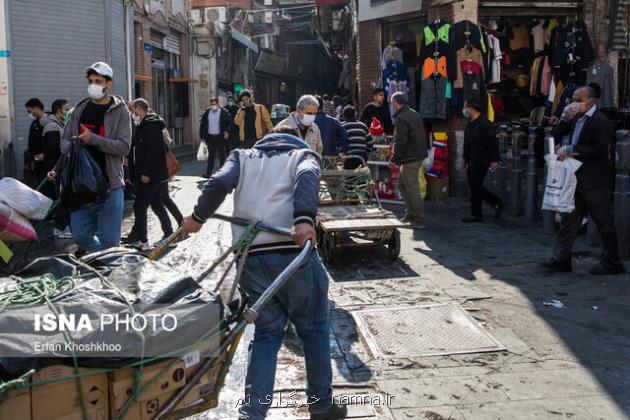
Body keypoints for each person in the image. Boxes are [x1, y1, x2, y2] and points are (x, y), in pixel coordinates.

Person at [181, 132, 346, 420]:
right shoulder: (302, 156)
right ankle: (321, 407)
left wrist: (196, 218)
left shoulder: (242, 157)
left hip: (252, 259)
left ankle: (253, 412)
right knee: (314, 329)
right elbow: (307, 177)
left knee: (267, 333)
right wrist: (304, 219)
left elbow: (218, 182)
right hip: (292, 257)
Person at [542, 85, 625, 275]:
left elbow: (599, 149)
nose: (574, 104)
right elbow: (555, 134)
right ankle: (562, 259)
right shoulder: (575, 118)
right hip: (575, 177)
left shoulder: (600, 121)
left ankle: (612, 262)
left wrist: (573, 149)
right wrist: (565, 117)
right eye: (573, 100)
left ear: (592, 101)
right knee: (568, 220)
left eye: (579, 100)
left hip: (594, 180)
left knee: (603, 221)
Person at [54, 62, 131, 253]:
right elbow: (64, 141)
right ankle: (100, 260)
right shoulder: (80, 108)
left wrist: (94, 139)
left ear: (109, 83)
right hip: (80, 187)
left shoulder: (120, 111)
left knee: (110, 242)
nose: (93, 85)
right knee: (80, 236)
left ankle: (108, 273)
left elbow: (124, 147)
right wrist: (71, 146)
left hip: (109, 187)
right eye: (90, 81)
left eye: (98, 81)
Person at [461, 99, 504, 223]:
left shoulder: (485, 124)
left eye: (465, 107)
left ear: (471, 108)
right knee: (475, 185)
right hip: (473, 159)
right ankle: (496, 202)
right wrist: (465, 158)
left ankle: (477, 215)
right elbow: (467, 143)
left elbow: (492, 144)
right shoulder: (470, 123)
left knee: (475, 186)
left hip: (482, 159)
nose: (464, 110)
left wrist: (494, 160)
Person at [389, 92, 427, 229]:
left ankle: (418, 219)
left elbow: (401, 141)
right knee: (402, 184)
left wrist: (394, 158)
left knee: (412, 187)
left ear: (396, 103)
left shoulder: (402, 117)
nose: (392, 105)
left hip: (410, 157)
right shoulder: (414, 113)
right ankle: (410, 213)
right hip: (416, 155)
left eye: (392, 103)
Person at [41, 99, 73, 238]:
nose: (67, 110)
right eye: (66, 108)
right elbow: (55, 148)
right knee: (62, 199)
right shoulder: (51, 126)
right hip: (56, 169)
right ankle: (60, 227)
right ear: (59, 110)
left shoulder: (61, 124)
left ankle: (64, 226)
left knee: (65, 198)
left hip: (62, 168)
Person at [199, 97, 231, 177]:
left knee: (222, 155)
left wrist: (227, 132)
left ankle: (222, 173)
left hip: (220, 137)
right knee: (211, 156)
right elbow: (203, 124)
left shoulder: (223, 112)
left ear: (218, 104)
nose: (213, 106)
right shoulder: (207, 113)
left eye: (215, 104)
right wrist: (202, 136)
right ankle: (208, 173)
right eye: (212, 104)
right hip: (210, 138)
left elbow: (230, 123)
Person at [25, 98, 46, 187]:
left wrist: (45, 154)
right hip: (36, 163)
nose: (29, 114)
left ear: (36, 108)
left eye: (30, 111)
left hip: (46, 163)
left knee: (46, 186)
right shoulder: (34, 123)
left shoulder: (47, 123)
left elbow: (52, 143)